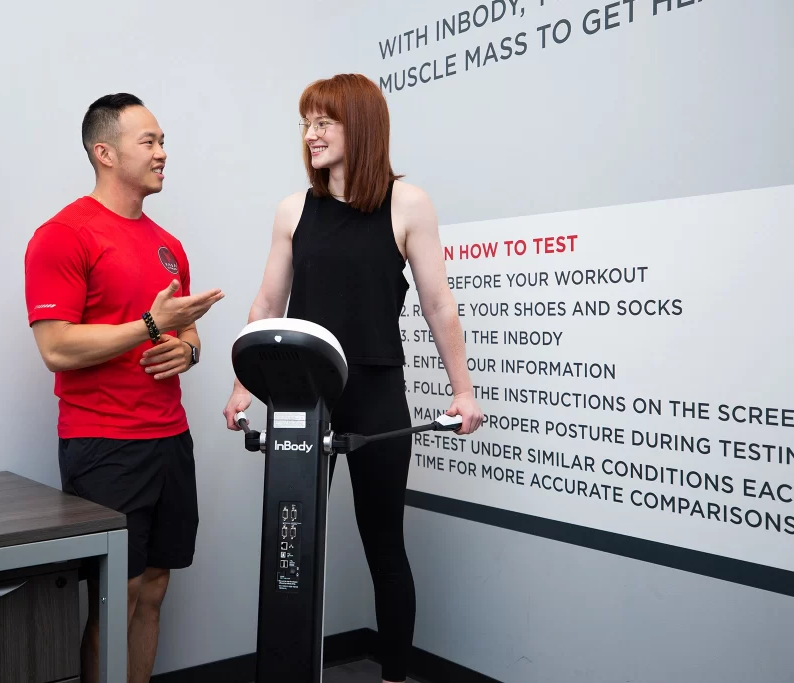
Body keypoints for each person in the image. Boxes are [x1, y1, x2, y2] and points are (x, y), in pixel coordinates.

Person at [222, 73, 484, 683]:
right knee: (292, 541)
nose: (310, 135)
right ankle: (289, 670)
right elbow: (267, 303)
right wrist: (243, 384)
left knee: (384, 543)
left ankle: (393, 674)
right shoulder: (294, 209)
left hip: (375, 390)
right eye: (305, 124)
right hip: (302, 393)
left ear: (360, 126)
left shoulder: (407, 203)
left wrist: (462, 390)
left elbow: (438, 303)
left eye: (323, 122)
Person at [25, 93, 224, 683]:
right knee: (120, 592)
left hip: (170, 439)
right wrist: (147, 326)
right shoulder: (63, 235)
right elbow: (56, 347)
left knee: (155, 587)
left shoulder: (168, 245)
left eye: (163, 141)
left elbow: (187, 331)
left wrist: (185, 348)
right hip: (104, 444)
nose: (163, 153)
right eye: (150, 142)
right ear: (104, 152)